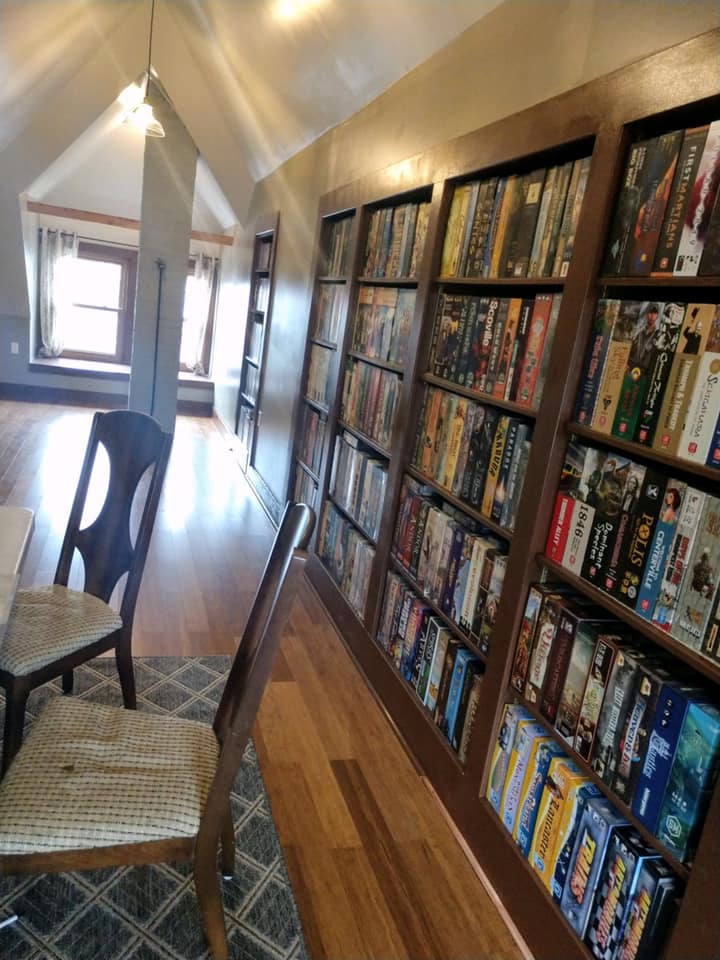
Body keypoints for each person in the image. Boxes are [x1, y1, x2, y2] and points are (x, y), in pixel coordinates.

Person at [628, 302, 660, 370]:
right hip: (631, 364)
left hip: (645, 369)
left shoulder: (658, 334)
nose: (652, 316)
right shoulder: (639, 331)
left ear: (657, 316)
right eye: (650, 313)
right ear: (647, 315)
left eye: (654, 313)